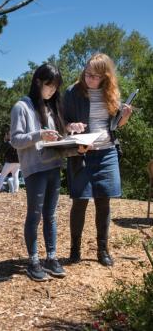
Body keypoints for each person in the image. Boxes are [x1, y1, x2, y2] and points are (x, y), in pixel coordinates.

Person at [64, 53, 133, 267]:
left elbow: (115, 125)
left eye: (95, 76)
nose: (90, 80)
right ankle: (75, 249)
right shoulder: (72, 92)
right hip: (82, 153)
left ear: (105, 76)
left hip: (107, 152)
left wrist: (125, 117)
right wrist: (71, 127)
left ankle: (102, 249)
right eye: (87, 75)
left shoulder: (111, 93)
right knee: (80, 201)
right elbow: (62, 121)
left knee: (104, 201)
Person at [11, 63, 71, 281]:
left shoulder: (50, 106)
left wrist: (70, 132)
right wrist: (39, 135)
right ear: (38, 82)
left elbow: (56, 136)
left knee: (51, 215)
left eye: (56, 87)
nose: (53, 91)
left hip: (54, 166)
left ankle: (51, 258)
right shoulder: (22, 107)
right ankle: (33, 261)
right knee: (34, 215)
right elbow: (16, 140)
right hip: (35, 169)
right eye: (50, 86)